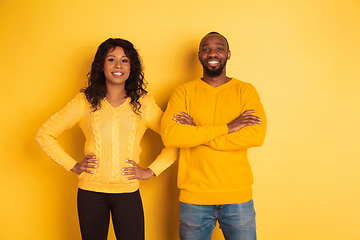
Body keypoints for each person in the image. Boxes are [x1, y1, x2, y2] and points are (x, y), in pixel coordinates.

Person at [36, 38, 178, 240]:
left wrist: (150, 171)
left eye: (125, 60)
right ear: (101, 66)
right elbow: (45, 134)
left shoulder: (143, 104)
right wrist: (73, 165)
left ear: (131, 68)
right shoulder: (84, 102)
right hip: (90, 195)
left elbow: (176, 138)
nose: (118, 65)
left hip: (128, 194)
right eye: (111, 59)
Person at [161, 32, 267, 240]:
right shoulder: (183, 92)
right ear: (199, 55)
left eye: (219, 48)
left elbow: (255, 136)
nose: (213, 53)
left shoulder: (245, 91)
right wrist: (228, 127)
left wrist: (196, 132)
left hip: (238, 197)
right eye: (206, 48)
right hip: (194, 198)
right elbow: (171, 136)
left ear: (228, 54)